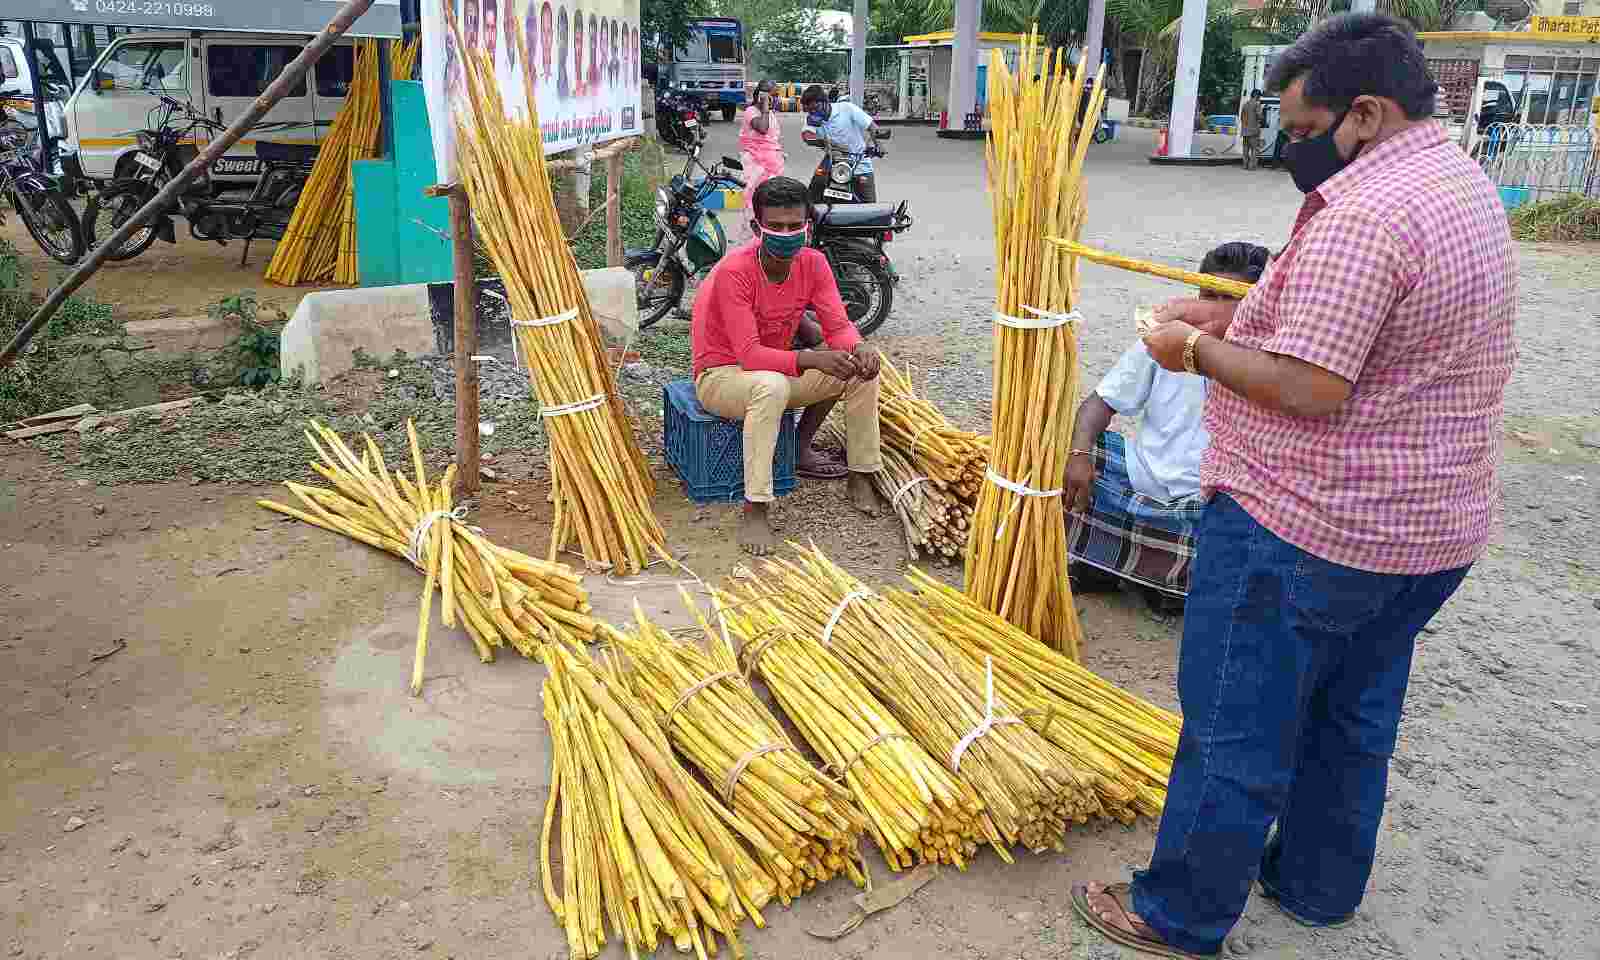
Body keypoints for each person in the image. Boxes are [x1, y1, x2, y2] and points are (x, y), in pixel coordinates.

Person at [1073, 14, 1517, 959]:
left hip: (1307, 528)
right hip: (1427, 532)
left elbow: (1317, 385)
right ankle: (1314, 884)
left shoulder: (1366, 215)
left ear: (1365, 111)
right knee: (1352, 714)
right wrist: (1235, 312)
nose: (1289, 146)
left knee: (1236, 721)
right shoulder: (1456, 181)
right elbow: (1349, 324)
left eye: (1303, 127)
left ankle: (1177, 914)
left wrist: (1192, 348)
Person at [1064, 242, 1271, 616]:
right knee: (1054, 446)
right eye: (1205, 295)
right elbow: (1099, 403)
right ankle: (1135, 568)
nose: (1207, 309)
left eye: (1224, 299)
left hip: (1206, 501)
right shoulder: (1164, 341)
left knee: (1239, 525)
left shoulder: (1267, 359)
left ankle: (1123, 565)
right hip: (1140, 481)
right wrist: (1078, 455)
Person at [691, 176, 883, 556]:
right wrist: (814, 357)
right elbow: (749, 355)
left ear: (808, 225)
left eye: (795, 225)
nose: (786, 233)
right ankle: (756, 507)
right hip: (722, 378)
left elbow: (838, 326)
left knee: (861, 370)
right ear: (755, 227)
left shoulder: (813, 263)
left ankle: (861, 474)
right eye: (775, 226)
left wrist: (859, 346)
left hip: (773, 375)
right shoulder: (735, 271)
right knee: (772, 385)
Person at [800, 84, 881, 200]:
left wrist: (877, 144)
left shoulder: (846, 108)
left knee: (870, 205)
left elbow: (872, 126)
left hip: (859, 160)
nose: (813, 113)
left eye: (815, 109)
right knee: (812, 195)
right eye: (810, 111)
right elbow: (807, 135)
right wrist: (820, 141)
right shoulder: (813, 119)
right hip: (832, 161)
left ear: (825, 102)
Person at [735, 80, 787, 246]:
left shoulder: (770, 114)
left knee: (771, 203)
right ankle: (751, 242)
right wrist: (764, 106)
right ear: (762, 96)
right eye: (773, 96)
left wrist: (778, 153)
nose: (776, 100)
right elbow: (762, 129)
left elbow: (771, 138)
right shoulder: (751, 112)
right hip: (755, 166)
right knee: (754, 202)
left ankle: (767, 238)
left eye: (777, 96)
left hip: (772, 166)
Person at [1241, 88, 1265, 170]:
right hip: (1254, 130)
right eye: (1259, 96)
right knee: (1255, 149)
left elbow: (1242, 117)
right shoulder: (1257, 104)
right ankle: (1252, 166)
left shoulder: (1245, 104)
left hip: (1245, 130)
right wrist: (1262, 116)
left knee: (1245, 148)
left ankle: (1245, 165)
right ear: (1256, 95)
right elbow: (1260, 116)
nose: (1259, 98)